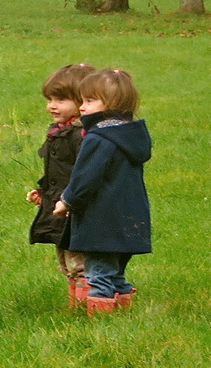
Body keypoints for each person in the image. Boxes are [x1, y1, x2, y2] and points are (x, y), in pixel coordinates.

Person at [52, 69, 151, 314]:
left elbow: (85, 178)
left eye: (89, 100)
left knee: (98, 275)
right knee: (115, 273)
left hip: (102, 221)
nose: (82, 107)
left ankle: (100, 321)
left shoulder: (99, 138)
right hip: (130, 220)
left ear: (112, 104)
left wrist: (67, 201)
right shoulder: (130, 136)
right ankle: (124, 311)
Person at [27, 63, 95, 308]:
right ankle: (76, 307)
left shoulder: (84, 136)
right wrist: (44, 193)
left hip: (77, 209)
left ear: (83, 101)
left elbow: (85, 174)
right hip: (58, 206)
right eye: (50, 99)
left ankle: (91, 308)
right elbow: (57, 171)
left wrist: (70, 199)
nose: (52, 106)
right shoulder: (58, 132)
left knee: (81, 263)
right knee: (66, 263)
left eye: (61, 100)